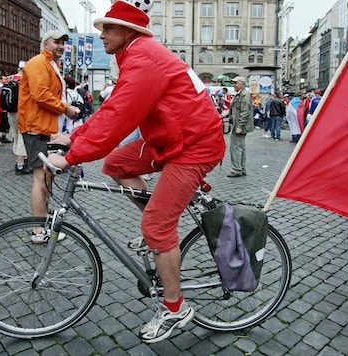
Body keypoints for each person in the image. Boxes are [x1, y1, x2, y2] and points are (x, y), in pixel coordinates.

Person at [46, 0, 225, 343]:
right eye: (101, 28)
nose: (102, 35)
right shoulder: (135, 55)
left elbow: (118, 117)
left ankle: (176, 308)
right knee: (116, 164)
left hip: (195, 145)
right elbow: (113, 108)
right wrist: (75, 137)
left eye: (108, 28)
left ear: (129, 32)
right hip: (172, 138)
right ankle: (157, 230)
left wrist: (72, 156)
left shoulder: (144, 58)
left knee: (157, 224)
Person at [18, 29, 79, 240]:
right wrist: (65, 108)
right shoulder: (38, 63)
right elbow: (41, 94)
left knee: (47, 175)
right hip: (37, 127)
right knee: (40, 177)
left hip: (45, 126)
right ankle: (38, 229)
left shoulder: (50, 63)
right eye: (57, 42)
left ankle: (43, 222)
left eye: (63, 42)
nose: (61, 45)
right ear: (46, 43)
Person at [7, 61, 31, 175]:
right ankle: (20, 165)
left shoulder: (10, 79)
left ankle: (18, 160)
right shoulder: (25, 80)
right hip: (22, 111)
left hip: (11, 111)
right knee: (22, 138)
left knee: (15, 136)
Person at [227, 75, 253, 177]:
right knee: (240, 147)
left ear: (241, 84)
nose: (234, 85)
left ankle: (236, 169)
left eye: (235, 83)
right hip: (238, 124)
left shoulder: (244, 95)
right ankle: (241, 168)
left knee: (236, 147)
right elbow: (235, 109)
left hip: (239, 125)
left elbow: (245, 112)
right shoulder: (240, 94)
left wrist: (240, 126)